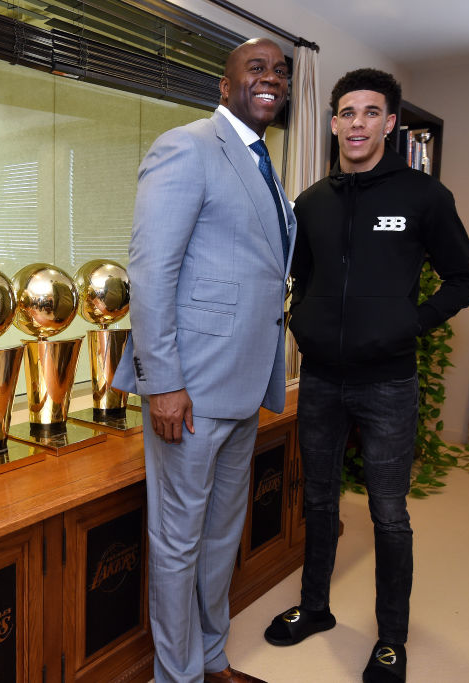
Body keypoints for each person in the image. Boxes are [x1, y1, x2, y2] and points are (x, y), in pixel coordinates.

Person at [263, 68, 469, 683]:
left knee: (389, 513)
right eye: (346, 112)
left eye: (370, 113)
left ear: (390, 123)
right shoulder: (312, 201)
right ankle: (315, 608)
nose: (356, 123)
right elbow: (297, 278)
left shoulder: (423, 197)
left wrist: (407, 325)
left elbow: (464, 279)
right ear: (334, 123)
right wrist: (300, 320)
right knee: (319, 500)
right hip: (323, 381)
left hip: (388, 382)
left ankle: (391, 638)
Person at [112, 37, 294, 683]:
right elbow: (152, 272)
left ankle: (212, 659)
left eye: (280, 71)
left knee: (220, 539)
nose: (270, 78)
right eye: (256, 68)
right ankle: (178, 675)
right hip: (187, 390)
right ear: (225, 85)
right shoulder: (187, 146)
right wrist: (162, 382)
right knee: (179, 540)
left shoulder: (259, 161)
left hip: (242, 383)